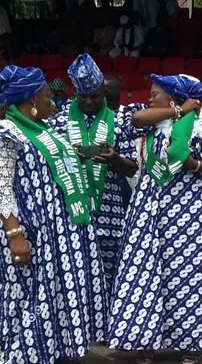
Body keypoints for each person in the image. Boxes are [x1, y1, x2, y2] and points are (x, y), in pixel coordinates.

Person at [0, 66, 105, 364]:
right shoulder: (6, 134)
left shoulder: (45, 130)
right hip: (30, 229)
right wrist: (15, 234)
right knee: (31, 290)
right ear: (31, 99)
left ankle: (63, 349)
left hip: (59, 230)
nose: (54, 101)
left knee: (60, 289)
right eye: (48, 96)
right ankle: (27, 355)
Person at [107, 74, 202, 364]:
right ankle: (144, 340)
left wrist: (195, 164)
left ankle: (191, 342)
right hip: (148, 210)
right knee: (144, 274)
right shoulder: (149, 124)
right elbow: (134, 118)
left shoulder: (200, 128)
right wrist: (180, 110)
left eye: (156, 94)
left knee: (188, 275)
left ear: (174, 97)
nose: (150, 99)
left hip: (187, 212)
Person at [48, 54, 138, 309]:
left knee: (109, 276)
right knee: (74, 274)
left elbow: (132, 168)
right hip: (71, 212)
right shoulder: (58, 121)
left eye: (95, 96)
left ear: (103, 93)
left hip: (109, 214)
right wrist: (67, 157)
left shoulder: (119, 122)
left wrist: (114, 159)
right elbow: (48, 163)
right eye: (83, 96)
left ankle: (107, 329)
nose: (89, 101)